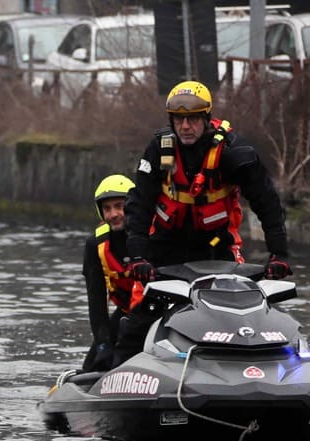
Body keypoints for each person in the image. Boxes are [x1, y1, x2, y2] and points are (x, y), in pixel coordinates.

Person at [114, 80, 293, 365]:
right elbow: (140, 205)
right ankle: (118, 372)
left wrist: (278, 254)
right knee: (139, 316)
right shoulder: (159, 150)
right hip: (164, 248)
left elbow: (267, 202)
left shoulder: (234, 152)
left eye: (193, 118)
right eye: (179, 119)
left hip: (216, 248)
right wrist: (136, 256)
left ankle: (249, 366)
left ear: (206, 119)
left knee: (237, 312)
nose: (186, 126)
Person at [80, 174, 139, 373]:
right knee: (92, 366)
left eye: (119, 206)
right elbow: (96, 302)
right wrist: (103, 345)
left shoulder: (153, 234)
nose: (113, 214)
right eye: (107, 208)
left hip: (158, 313)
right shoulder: (95, 245)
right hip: (126, 312)